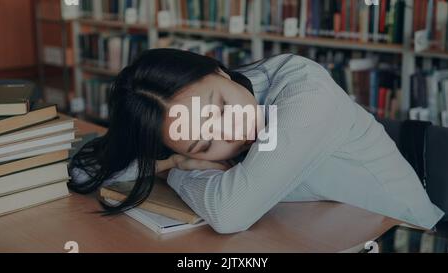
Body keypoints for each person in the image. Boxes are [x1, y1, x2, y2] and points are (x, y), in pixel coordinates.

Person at [69, 49, 444, 234]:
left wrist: (182, 170)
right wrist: (158, 157)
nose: (231, 132)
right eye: (203, 145)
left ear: (218, 70)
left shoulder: (305, 95)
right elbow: (92, 171)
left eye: (219, 108)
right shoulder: (221, 95)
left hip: (405, 236)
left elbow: (231, 213)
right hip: (319, 230)